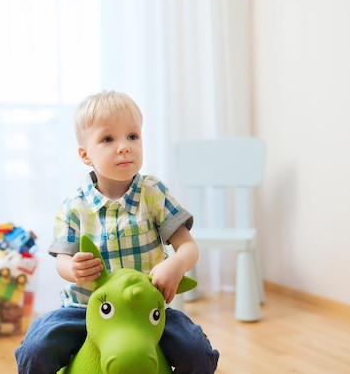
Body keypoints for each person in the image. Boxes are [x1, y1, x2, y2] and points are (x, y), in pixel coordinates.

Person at [15, 91, 219, 373]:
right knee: (35, 348)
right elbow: (62, 261)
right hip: (84, 309)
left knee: (197, 351)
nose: (124, 147)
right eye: (108, 139)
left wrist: (175, 264)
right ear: (85, 155)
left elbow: (189, 248)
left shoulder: (153, 193)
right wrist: (74, 269)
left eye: (133, 136)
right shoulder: (73, 206)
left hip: (145, 313)